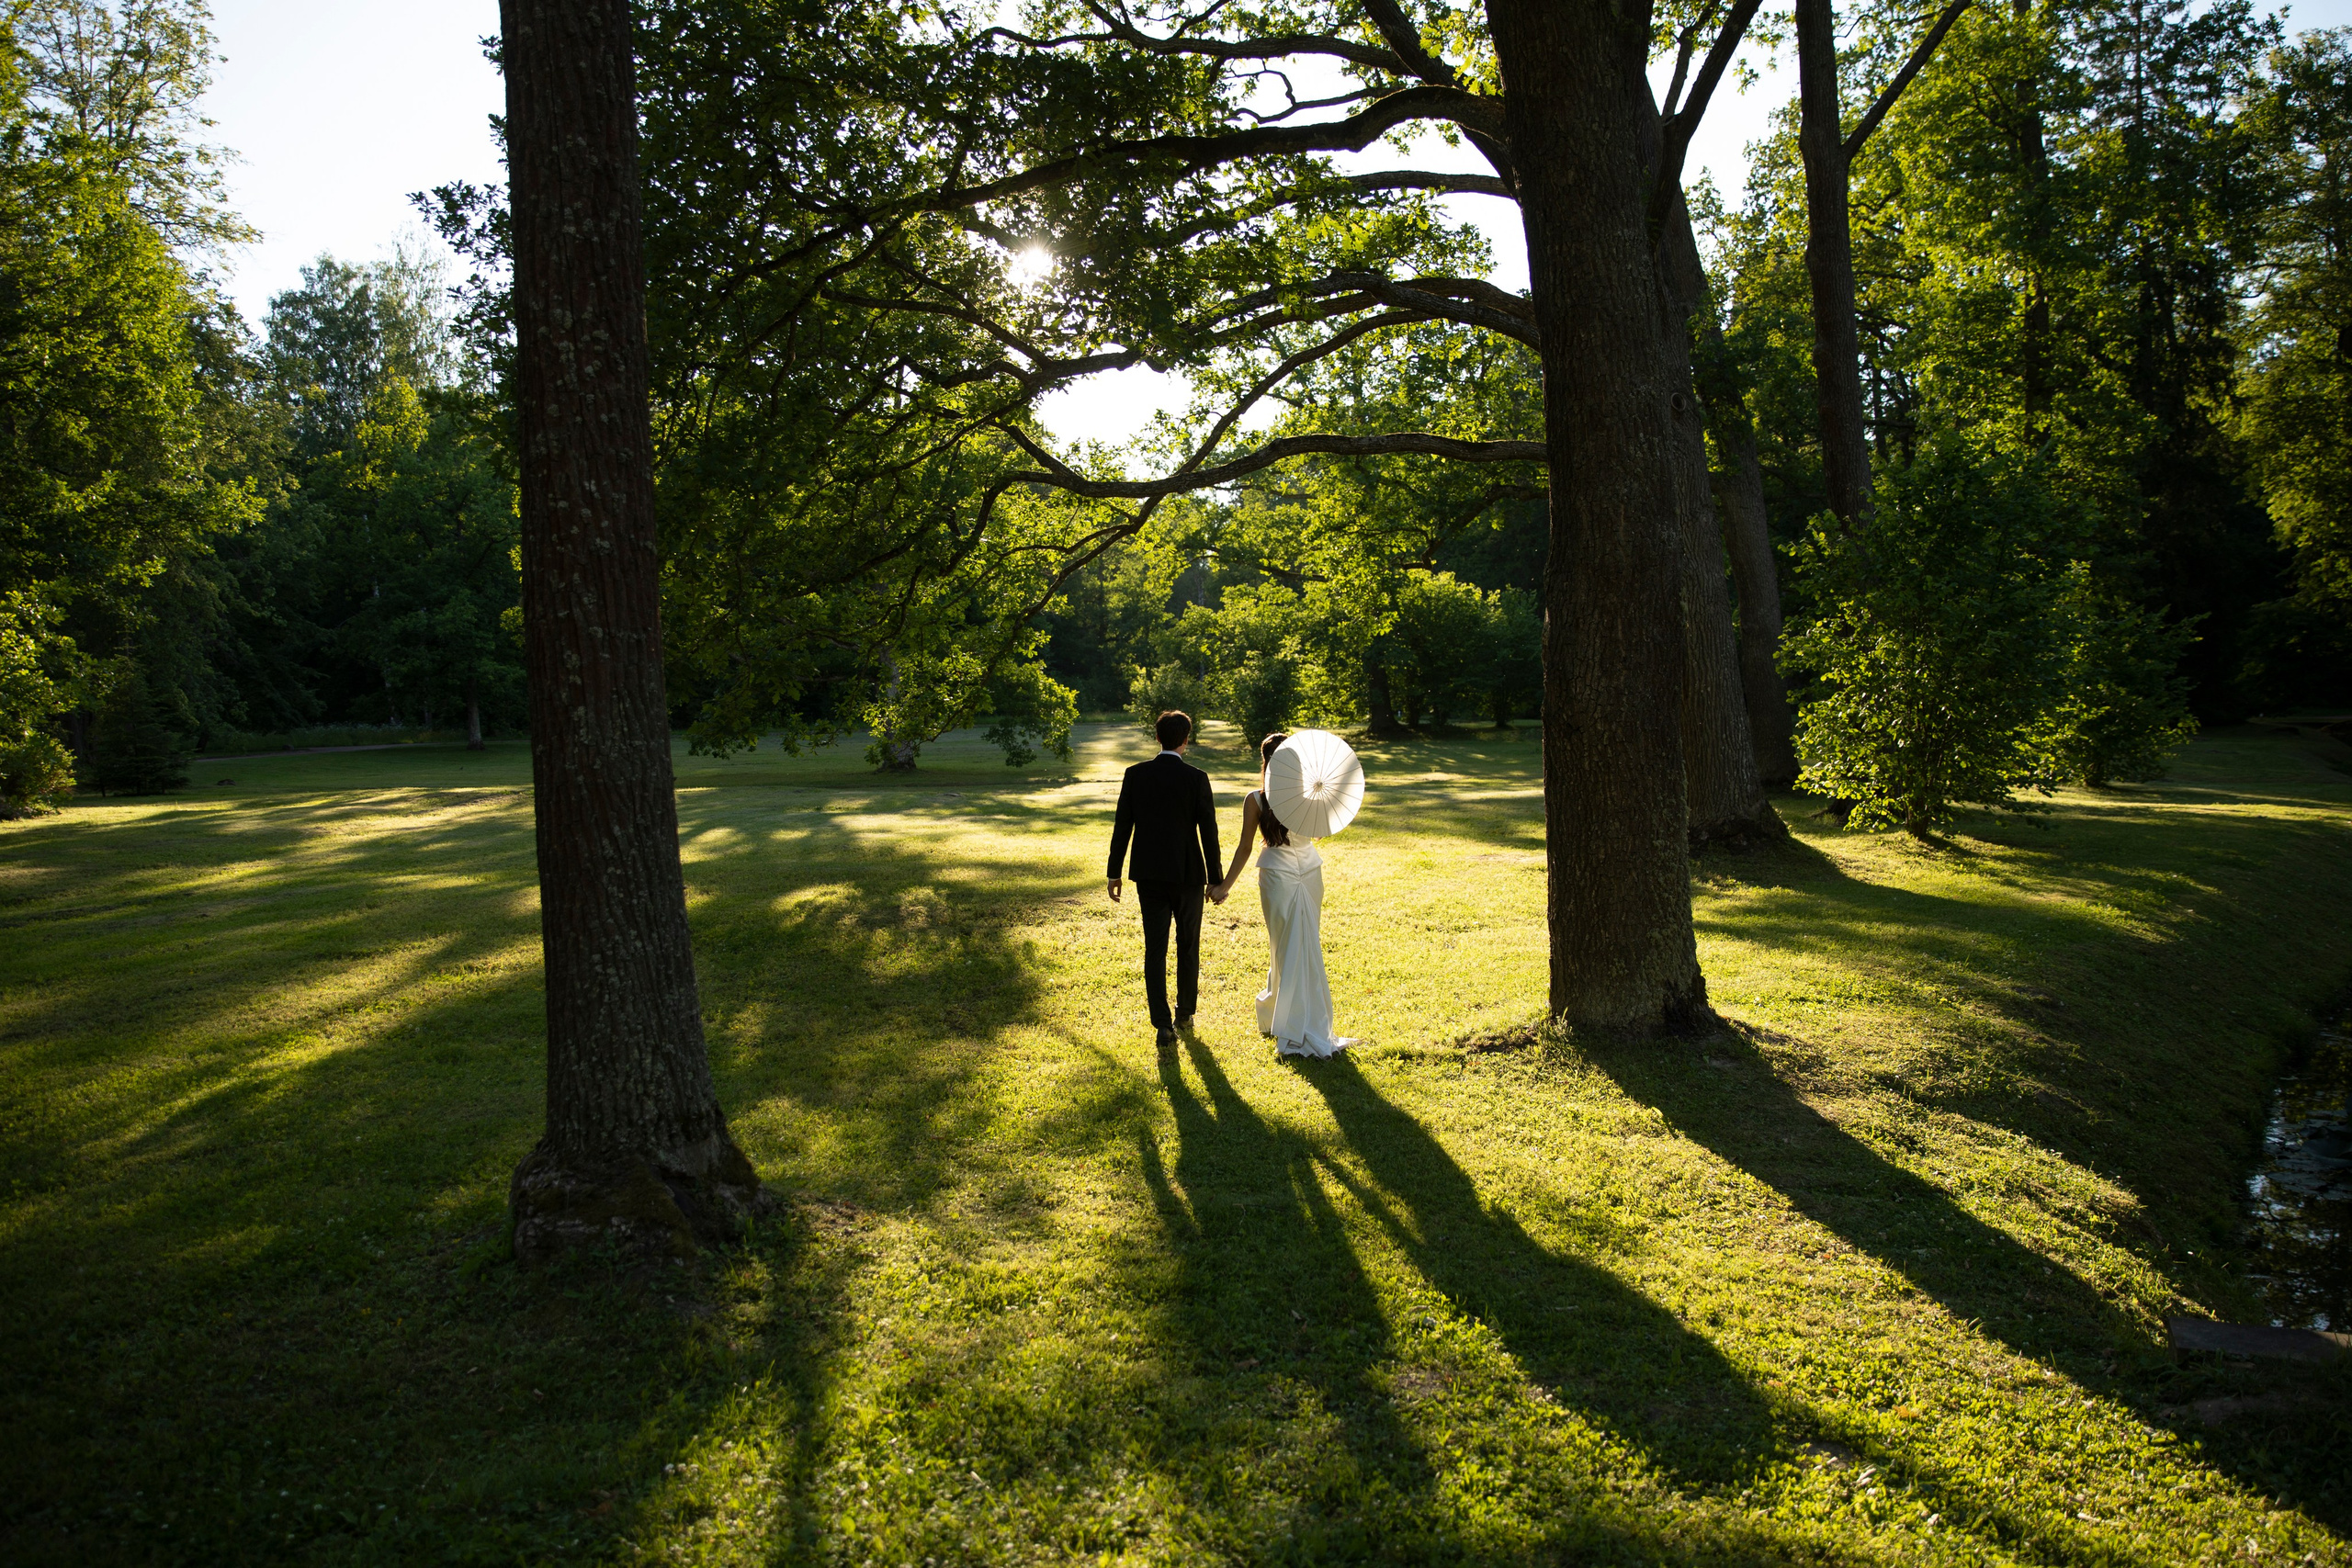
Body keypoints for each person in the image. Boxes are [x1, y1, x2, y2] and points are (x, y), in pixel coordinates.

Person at [1212, 731, 1358, 1057]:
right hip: (1309, 872)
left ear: (1265, 762)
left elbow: (1246, 847)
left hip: (1278, 875)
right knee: (1301, 945)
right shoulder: (1311, 796)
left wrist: (1224, 886)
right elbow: (1319, 833)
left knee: (1286, 948)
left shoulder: (1256, 798)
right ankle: (1287, 1018)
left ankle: (1285, 1020)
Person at [1107, 710, 1225, 1048]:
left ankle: (1162, 1024)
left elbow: (1122, 826)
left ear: (1157, 738)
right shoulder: (1197, 778)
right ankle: (1184, 1012)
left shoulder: (1136, 774)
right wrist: (1215, 879)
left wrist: (1115, 871)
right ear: (1186, 739)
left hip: (1149, 874)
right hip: (1188, 874)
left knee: (1154, 948)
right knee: (1188, 944)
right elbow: (1209, 832)